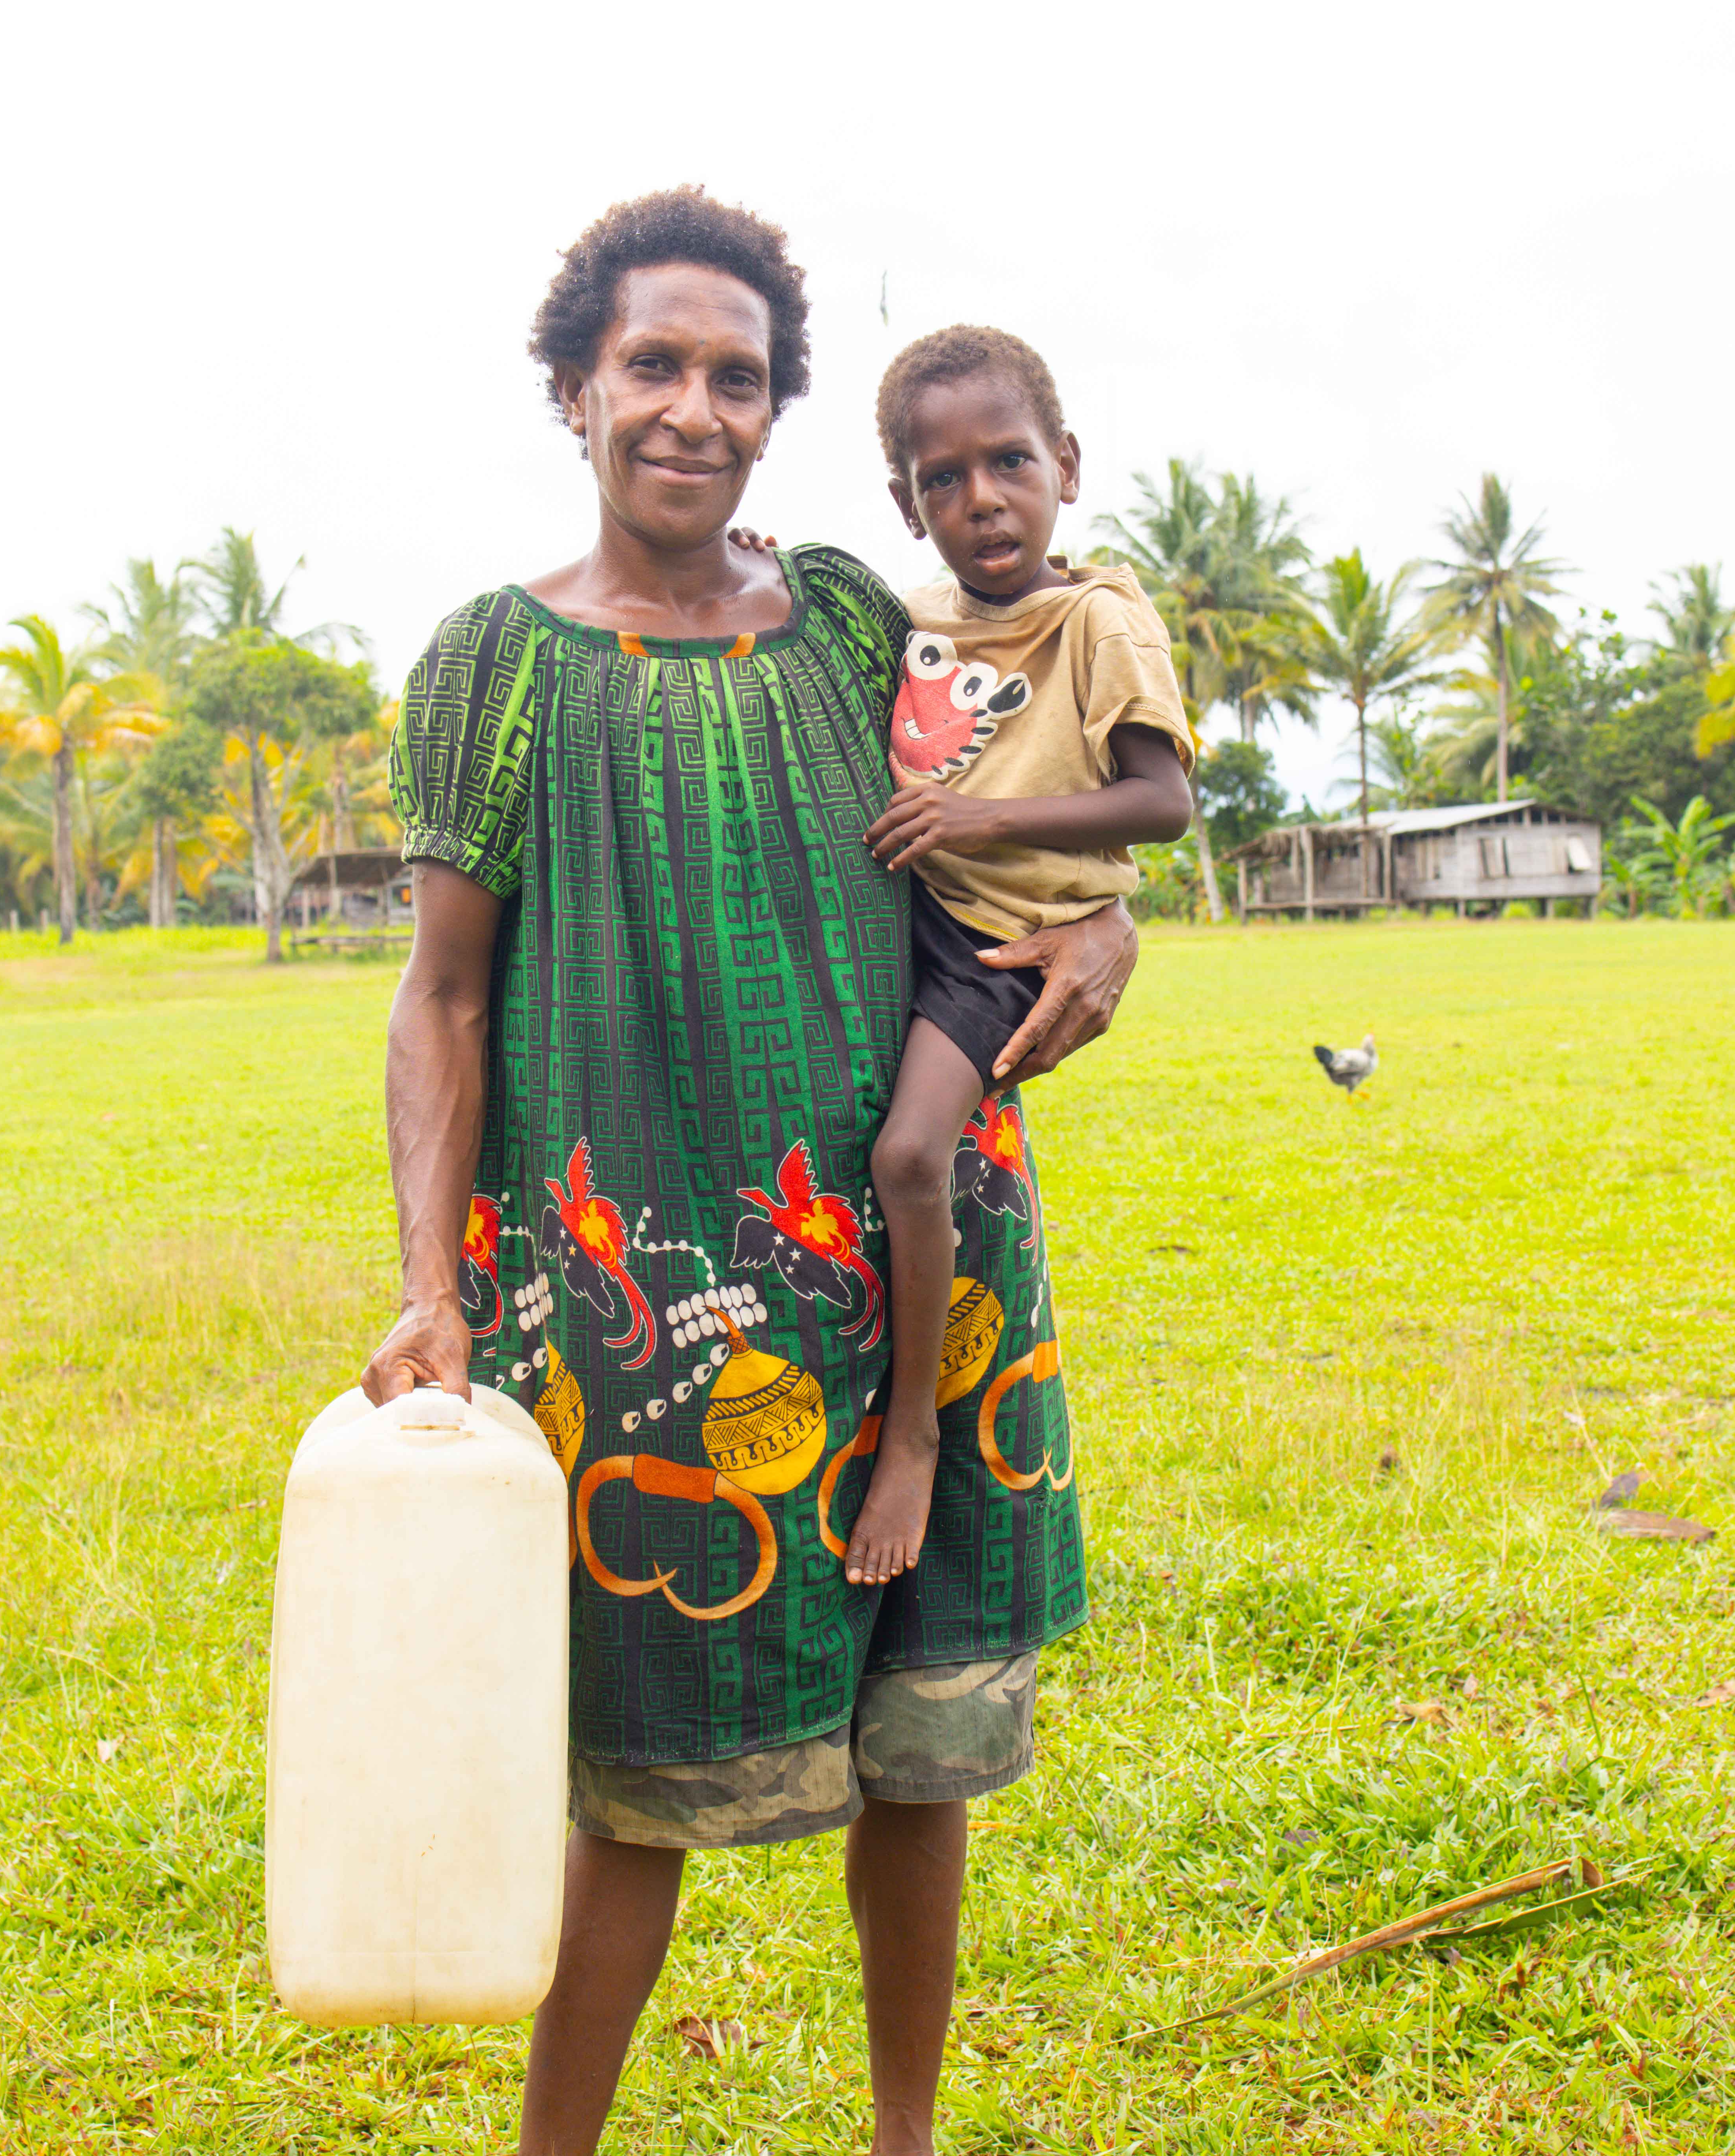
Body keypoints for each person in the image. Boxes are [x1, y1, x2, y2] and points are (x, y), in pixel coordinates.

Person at [357, 188, 1135, 2156]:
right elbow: (441, 1000)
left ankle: (902, 2135)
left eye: (734, 375)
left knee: (921, 1750)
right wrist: (433, 1285)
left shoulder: (861, 626)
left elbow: (1015, 840)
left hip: (919, 1261)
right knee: (637, 1779)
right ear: (572, 391)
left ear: (776, 411)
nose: (691, 409)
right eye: (651, 368)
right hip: (653, 1303)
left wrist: (1112, 934)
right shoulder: (500, 668)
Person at [840, 325, 1193, 1591]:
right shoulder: (913, 613)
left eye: (1010, 462)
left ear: (1068, 466)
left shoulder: (1098, 619)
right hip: (898, 911)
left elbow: (1163, 802)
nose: (981, 499)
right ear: (905, 502)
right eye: (942, 479)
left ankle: (915, 1432)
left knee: (909, 1153)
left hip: (998, 942)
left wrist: (985, 819)